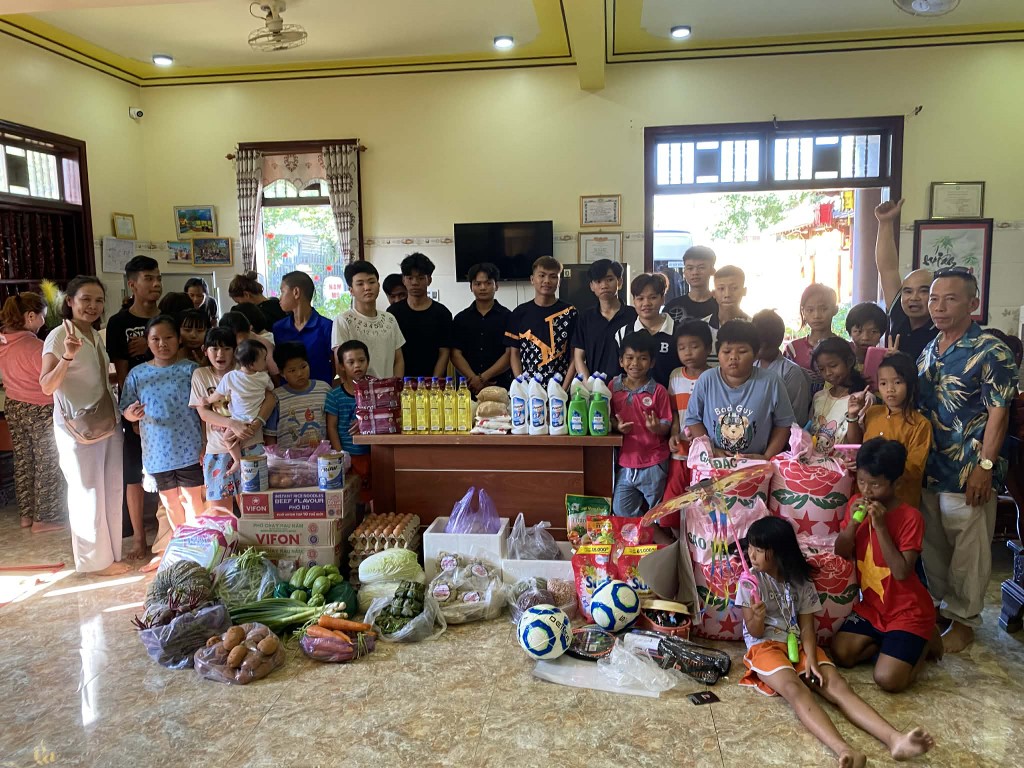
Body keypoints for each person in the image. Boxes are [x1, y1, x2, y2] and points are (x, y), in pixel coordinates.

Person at [737, 516, 934, 766]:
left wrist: (812, 659)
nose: (751, 554)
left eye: (758, 549)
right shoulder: (749, 582)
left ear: (778, 552)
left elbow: (807, 627)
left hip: (798, 642)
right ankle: (844, 750)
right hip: (765, 646)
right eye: (750, 548)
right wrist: (756, 617)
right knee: (795, 690)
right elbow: (754, 632)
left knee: (837, 686)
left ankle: (895, 739)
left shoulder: (800, 580)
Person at [918, 267, 1017, 653]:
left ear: (973, 303)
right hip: (930, 466)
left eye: (950, 299)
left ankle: (964, 620)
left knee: (969, 548)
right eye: (934, 299)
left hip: (969, 468)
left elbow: (999, 414)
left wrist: (985, 467)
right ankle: (944, 610)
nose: (938, 307)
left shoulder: (991, 350)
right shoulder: (931, 348)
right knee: (935, 545)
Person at [832, 438, 941, 692]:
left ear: (896, 483)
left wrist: (881, 527)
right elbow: (841, 552)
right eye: (861, 482)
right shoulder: (855, 503)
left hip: (907, 611)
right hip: (873, 606)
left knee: (888, 680)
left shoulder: (911, 518)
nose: (867, 491)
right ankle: (891, 644)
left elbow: (902, 572)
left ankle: (926, 639)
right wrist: (852, 525)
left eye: (875, 485)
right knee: (841, 653)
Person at [40, 278, 128, 576]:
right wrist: (67, 356)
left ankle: (110, 556)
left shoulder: (94, 334)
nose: (92, 306)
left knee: (111, 489)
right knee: (87, 493)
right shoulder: (59, 335)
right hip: (78, 428)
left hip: (107, 421)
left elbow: (98, 378)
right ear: (70, 301)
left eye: (98, 300)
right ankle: (94, 563)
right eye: (85, 299)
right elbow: (46, 385)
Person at [120, 315, 204, 537]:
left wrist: (205, 443)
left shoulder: (192, 370)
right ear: (147, 341)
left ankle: (199, 543)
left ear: (178, 339)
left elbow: (205, 412)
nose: (162, 344)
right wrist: (131, 414)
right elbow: (125, 409)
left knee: (193, 499)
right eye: (155, 339)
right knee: (169, 501)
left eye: (168, 338)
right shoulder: (137, 374)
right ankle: (181, 542)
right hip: (157, 453)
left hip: (190, 449)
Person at [106, 254, 162, 562]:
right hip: (136, 409)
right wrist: (131, 412)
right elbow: (122, 371)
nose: (156, 284)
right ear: (132, 284)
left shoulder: (168, 316)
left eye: (158, 278)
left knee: (169, 472)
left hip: (169, 410)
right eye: (148, 279)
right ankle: (139, 538)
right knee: (133, 473)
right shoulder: (119, 322)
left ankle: (166, 535)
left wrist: (150, 345)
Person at [0, 293, 65, 532]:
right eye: (41, 317)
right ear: (30, 316)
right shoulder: (36, 347)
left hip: (14, 406)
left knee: (23, 460)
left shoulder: (3, 343)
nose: (43, 322)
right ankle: (45, 519)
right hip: (40, 409)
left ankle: (26, 516)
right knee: (48, 461)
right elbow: (53, 380)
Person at [191, 327, 274, 514]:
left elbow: (271, 398)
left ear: (235, 351)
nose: (220, 354)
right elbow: (203, 413)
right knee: (221, 512)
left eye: (226, 348)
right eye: (214, 348)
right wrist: (232, 424)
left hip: (251, 443)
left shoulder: (251, 371)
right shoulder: (200, 375)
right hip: (218, 448)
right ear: (205, 350)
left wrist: (256, 424)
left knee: (254, 507)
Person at [685, 320, 795, 460]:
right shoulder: (706, 380)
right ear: (718, 353)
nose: (733, 357)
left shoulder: (772, 382)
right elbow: (693, 419)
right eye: (726, 351)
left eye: (742, 351)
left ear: (756, 354)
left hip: (757, 464)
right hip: (713, 461)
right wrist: (711, 449)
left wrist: (766, 457)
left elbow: (784, 424)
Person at [845, 353, 931, 508]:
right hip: (865, 498)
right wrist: (852, 415)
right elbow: (856, 444)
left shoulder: (920, 424)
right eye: (883, 383)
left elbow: (914, 470)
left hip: (899, 503)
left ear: (910, 384)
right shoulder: (873, 412)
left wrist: (871, 467)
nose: (890, 389)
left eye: (897, 382)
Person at [610, 332, 672, 517]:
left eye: (642, 358)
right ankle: (648, 533)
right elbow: (607, 418)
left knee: (659, 513)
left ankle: (658, 535)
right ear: (621, 361)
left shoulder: (658, 391)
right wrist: (617, 427)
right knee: (621, 509)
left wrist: (657, 428)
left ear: (652, 362)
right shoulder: (612, 386)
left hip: (654, 462)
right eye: (629, 358)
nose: (635, 363)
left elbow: (666, 423)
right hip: (625, 462)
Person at [874, 199, 938, 361]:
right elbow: (887, 269)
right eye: (907, 291)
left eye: (923, 291)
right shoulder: (899, 312)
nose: (914, 298)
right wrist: (885, 222)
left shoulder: (942, 327)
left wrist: (901, 363)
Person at [204, 340, 274, 474]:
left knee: (227, 439)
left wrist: (206, 400)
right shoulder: (264, 377)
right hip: (255, 421)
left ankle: (237, 460)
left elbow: (217, 395)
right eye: (264, 359)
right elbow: (271, 390)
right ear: (252, 364)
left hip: (238, 421)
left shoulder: (231, 377)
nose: (266, 362)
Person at [506, 256, 578, 385]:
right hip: (527, 389)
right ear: (532, 279)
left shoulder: (570, 312)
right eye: (542, 275)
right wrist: (522, 385)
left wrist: (563, 390)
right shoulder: (519, 312)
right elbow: (514, 354)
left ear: (559, 282)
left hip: (561, 387)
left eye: (553, 276)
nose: (547, 281)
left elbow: (575, 356)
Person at [665, 319, 713, 504]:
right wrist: (673, 434)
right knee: (674, 500)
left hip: (707, 453)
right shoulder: (675, 376)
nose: (688, 352)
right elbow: (675, 412)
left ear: (708, 348)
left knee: (705, 502)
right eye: (682, 348)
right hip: (681, 449)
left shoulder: (715, 377)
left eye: (694, 346)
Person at [331, 260, 405, 380]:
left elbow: (398, 359)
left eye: (371, 282)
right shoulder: (343, 321)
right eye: (360, 284)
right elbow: (340, 364)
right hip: (359, 390)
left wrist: (396, 385)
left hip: (389, 389)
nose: (367, 288)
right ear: (351, 290)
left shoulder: (390, 319)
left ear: (378, 286)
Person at [387, 253, 453, 379]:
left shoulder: (442, 313)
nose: (415, 283)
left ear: (429, 280)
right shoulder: (393, 313)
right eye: (410, 278)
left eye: (421, 278)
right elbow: (392, 351)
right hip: (402, 381)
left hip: (433, 381)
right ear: (403, 280)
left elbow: (444, 352)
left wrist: (434, 382)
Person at [451, 262, 512, 393]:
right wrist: (474, 379)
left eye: (488, 283)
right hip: (467, 388)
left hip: (500, 386)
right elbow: (455, 354)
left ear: (496, 286)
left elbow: (510, 353)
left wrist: (482, 378)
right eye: (477, 284)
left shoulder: (508, 317)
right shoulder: (461, 319)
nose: (483, 287)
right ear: (471, 287)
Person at [571, 259, 636, 380]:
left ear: (620, 282)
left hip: (627, 387)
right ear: (592, 286)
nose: (604, 286)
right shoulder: (585, 318)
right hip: (594, 387)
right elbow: (579, 357)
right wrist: (588, 384)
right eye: (598, 281)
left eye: (609, 280)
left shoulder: (634, 315)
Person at [326, 340, 372, 503]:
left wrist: (366, 421)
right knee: (353, 500)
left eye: (361, 360)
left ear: (368, 361)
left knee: (374, 498)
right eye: (351, 362)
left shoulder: (377, 391)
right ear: (342, 366)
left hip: (374, 454)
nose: (357, 365)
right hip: (349, 456)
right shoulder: (334, 395)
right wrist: (341, 455)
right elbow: (331, 427)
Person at [265, 341, 332, 449]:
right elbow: (270, 435)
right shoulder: (276, 397)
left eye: (303, 367)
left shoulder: (324, 389)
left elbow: (333, 426)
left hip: (321, 456)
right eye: (292, 370)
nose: (299, 373)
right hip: (288, 458)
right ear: (282, 373)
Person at [613, 273, 676, 387]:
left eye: (653, 297)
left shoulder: (678, 331)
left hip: (672, 396)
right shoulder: (623, 333)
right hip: (634, 397)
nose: (646, 303)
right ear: (634, 300)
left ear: (663, 299)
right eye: (640, 298)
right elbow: (618, 373)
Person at [272, 271, 334, 384]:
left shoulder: (326, 326)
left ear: (296, 292)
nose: (279, 298)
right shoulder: (278, 328)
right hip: (288, 392)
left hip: (320, 391)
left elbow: (335, 364)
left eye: (282, 291)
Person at [808, 338, 872, 448]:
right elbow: (811, 431)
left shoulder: (863, 399)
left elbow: (856, 444)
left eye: (833, 366)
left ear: (849, 361)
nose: (828, 373)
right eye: (821, 369)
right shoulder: (819, 397)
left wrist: (852, 416)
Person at [752, 309, 812, 425]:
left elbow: (797, 418)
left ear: (777, 342)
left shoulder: (791, 372)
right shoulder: (751, 366)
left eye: (762, 346)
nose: (758, 350)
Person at [785, 283, 839, 393]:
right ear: (803, 312)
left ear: (835, 310)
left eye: (823, 309)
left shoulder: (845, 348)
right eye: (810, 310)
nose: (817, 315)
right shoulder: (793, 349)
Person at [664, 245, 718, 323]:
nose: (695, 272)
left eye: (701, 267)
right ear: (684, 272)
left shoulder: (721, 305)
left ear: (712, 271)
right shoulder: (672, 307)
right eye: (690, 268)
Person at [220, 310, 279, 377]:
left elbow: (275, 376)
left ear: (250, 329)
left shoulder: (264, 347)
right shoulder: (219, 348)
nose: (238, 347)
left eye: (242, 342)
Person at [846, 301, 889, 388]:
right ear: (849, 332)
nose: (865, 337)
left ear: (881, 334)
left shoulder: (886, 360)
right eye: (858, 331)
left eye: (873, 331)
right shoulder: (841, 359)